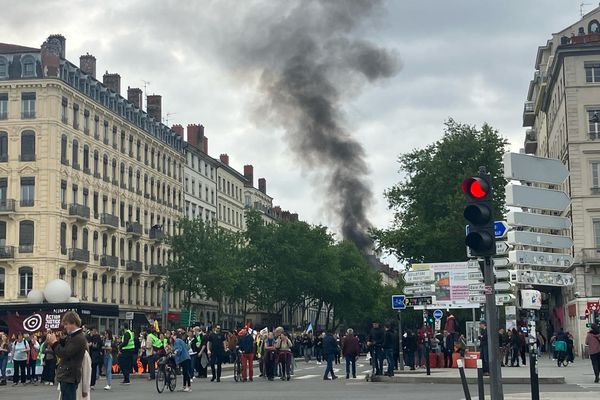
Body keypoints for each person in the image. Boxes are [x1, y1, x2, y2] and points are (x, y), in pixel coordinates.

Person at [46, 311, 88, 400]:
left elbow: (64, 353)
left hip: (69, 375)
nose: (64, 327)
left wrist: (54, 343)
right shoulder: (74, 336)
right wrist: (58, 341)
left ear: (73, 323)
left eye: (66, 324)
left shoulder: (78, 338)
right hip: (68, 375)